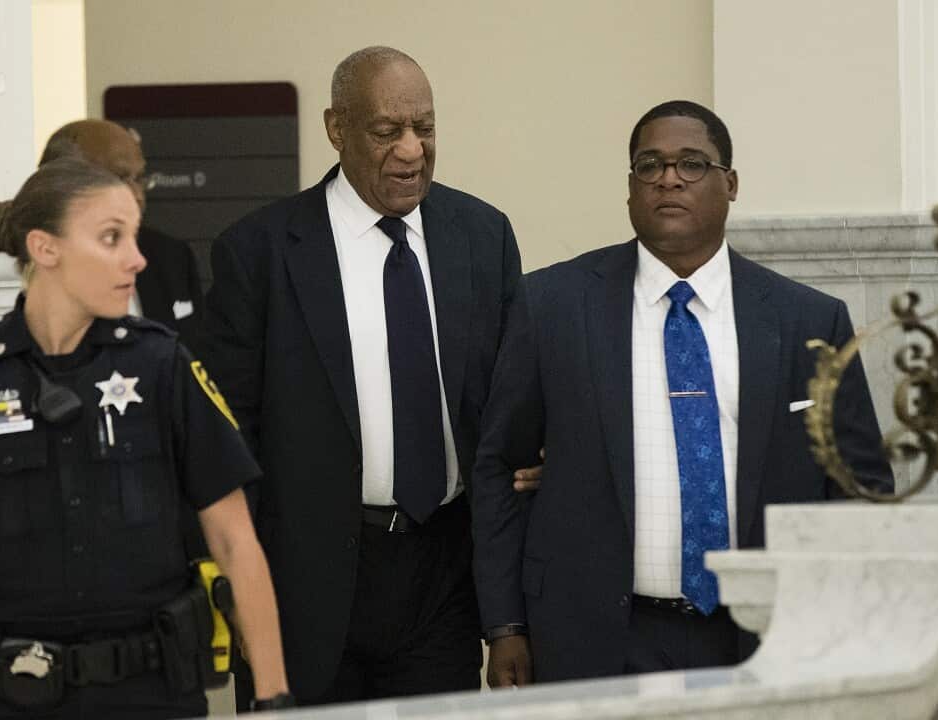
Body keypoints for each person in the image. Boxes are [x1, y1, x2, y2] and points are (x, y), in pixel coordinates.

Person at [472, 100, 894, 686]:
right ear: (630, 188)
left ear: (731, 183)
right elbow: (500, 469)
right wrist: (505, 625)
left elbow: (859, 488)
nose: (668, 178)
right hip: (594, 635)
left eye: (692, 163)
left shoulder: (809, 321)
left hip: (768, 633)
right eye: (650, 165)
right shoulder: (552, 306)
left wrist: (849, 620)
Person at [0, 157, 291, 719]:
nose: (137, 258)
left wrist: (274, 698)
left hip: (150, 697)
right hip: (9, 699)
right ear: (45, 248)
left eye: (134, 237)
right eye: (112, 238)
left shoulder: (163, 366)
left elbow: (235, 542)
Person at [201, 46, 522, 705]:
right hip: (308, 584)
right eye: (386, 131)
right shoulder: (259, 252)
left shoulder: (483, 237)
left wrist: (508, 615)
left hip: (443, 576)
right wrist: (246, 596)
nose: (411, 150)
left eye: (424, 128)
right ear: (336, 128)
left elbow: (508, 414)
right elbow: (230, 444)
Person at [40, 119, 205, 351]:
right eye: (118, 179)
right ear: (63, 185)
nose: (136, 195)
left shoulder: (171, 256)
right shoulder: (36, 263)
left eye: (138, 179)